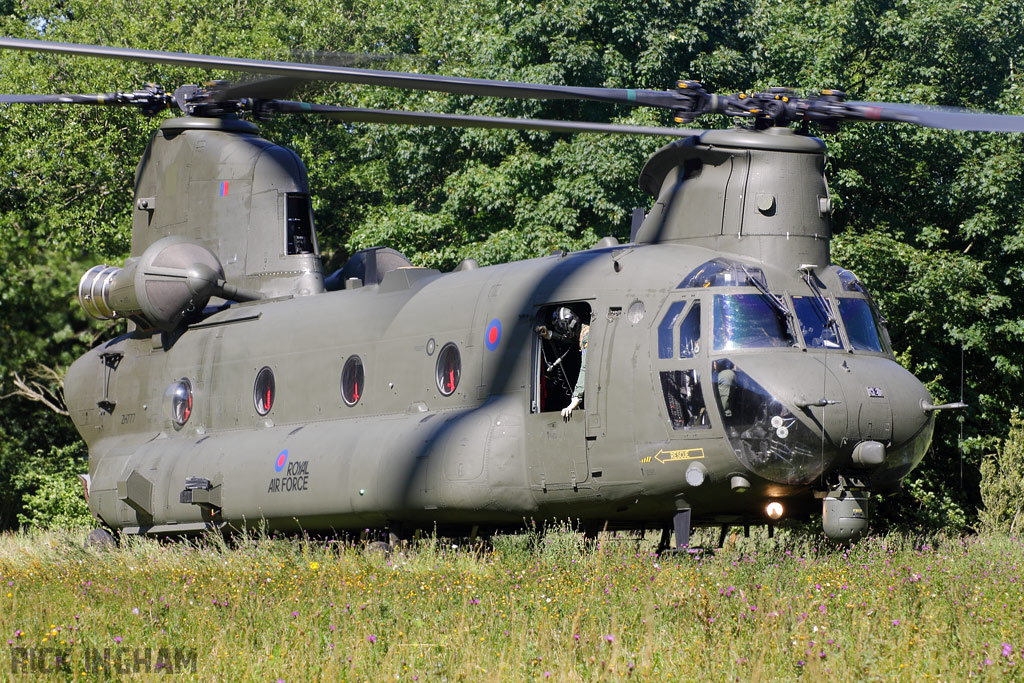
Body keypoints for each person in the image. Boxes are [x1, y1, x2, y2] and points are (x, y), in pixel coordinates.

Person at [561, 320, 590, 420]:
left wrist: (576, 397)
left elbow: (585, 367)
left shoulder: (586, 336)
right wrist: (551, 335)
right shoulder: (584, 331)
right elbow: (569, 338)